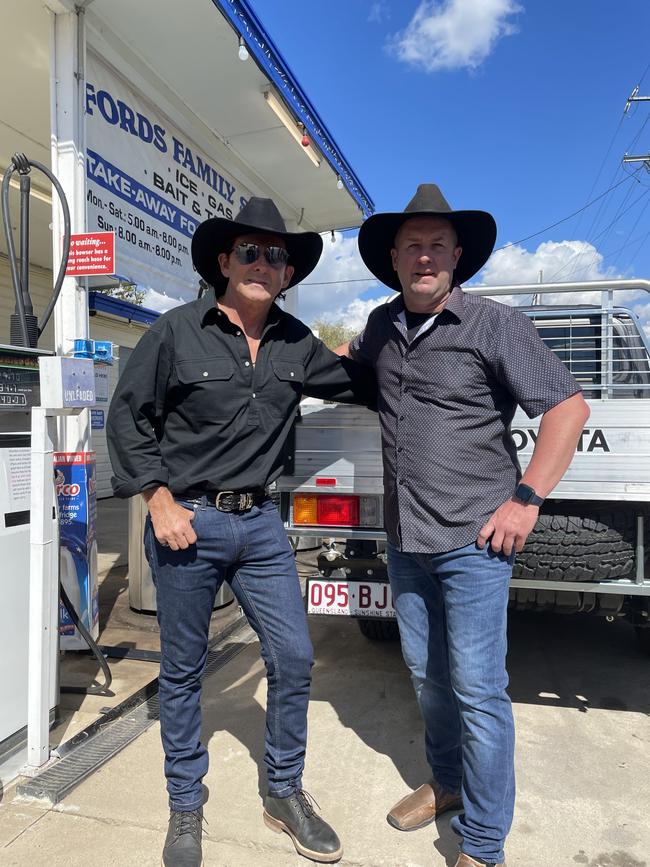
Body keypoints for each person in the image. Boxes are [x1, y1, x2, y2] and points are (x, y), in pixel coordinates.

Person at [107, 197, 376, 867]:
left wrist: (395, 338)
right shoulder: (174, 332)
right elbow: (127, 417)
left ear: (288, 273)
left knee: (293, 658)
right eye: (251, 252)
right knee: (182, 671)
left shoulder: (296, 343)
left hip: (260, 524)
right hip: (186, 523)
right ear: (225, 262)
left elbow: (359, 384)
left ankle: (282, 790)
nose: (264, 264)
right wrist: (158, 499)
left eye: (276, 256)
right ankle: (185, 803)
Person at [337, 184, 590, 867]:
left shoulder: (494, 323)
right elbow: (346, 371)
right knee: (427, 677)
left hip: (475, 543)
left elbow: (568, 409)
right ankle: (447, 784)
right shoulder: (382, 326)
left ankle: (483, 842)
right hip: (405, 541)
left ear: (458, 255)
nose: (425, 256)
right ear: (394, 256)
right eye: (412, 244)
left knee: (479, 690)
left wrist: (527, 498)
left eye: (437, 245)